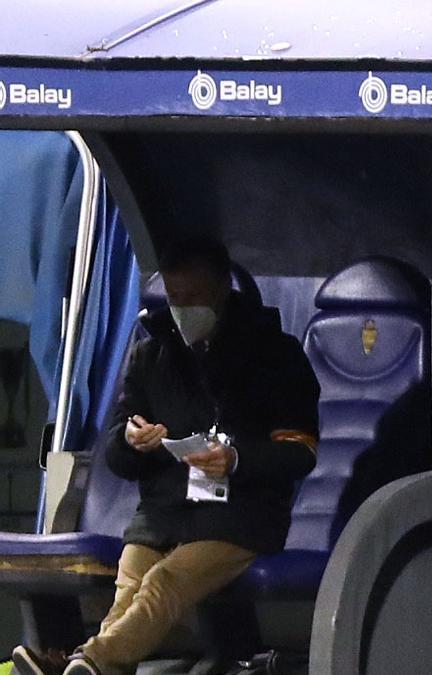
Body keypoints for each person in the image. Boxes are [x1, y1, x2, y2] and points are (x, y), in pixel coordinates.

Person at [13, 238, 320, 675]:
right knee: (130, 587)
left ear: (221, 290)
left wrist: (236, 460)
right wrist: (132, 442)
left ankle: (87, 661)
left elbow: (300, 451)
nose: (181, 310)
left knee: (162, 584)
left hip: (240, 517)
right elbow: (119, 454)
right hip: (162, 514)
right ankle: (90, 665)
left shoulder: (275, 355)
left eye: (193, 298)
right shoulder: (151, 355)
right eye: (175, 298)